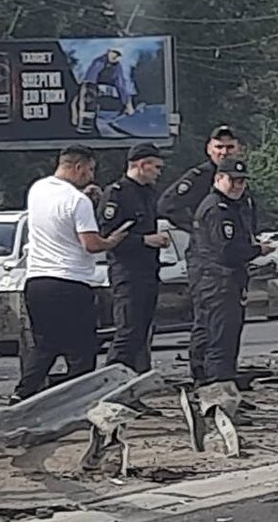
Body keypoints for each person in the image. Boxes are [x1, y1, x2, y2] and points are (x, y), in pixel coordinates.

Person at [12, 146, 129, 402]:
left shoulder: (38, 189)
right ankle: (78, 401)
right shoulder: (78, 202)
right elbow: (91, 244)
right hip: (70, 282)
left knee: (45, 345)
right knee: (82, 350)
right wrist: (112, 240)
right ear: (78, 167)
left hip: (37, 281)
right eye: (89, 170)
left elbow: (59, 214)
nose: (91, 176)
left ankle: (22, 394)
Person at [181, 157, 271, 447]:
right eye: (232, 180)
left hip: (218, 281)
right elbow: (227, 251)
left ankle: (214, 397)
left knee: (210, 337)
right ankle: (221, 404)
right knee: (221, 341)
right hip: (217, 282)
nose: (237, 186)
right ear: (219, 179)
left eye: (242, 181)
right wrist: (257, 249)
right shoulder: (218, 210)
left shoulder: (232, 207)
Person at [160, 125, 258, 385]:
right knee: (215, 325)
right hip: (209, 263)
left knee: (217, 324)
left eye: (229, 147)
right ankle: (210, 379)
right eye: (219, 147)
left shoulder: (238, 180)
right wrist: (197, 228)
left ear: (239, 148)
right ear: (209, 149)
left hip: (228, 260)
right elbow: (167, 205)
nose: (224, 152)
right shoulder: (200, 178)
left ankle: (213, 379)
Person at [97, 143, 171, 383]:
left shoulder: (148, 192)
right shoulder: (117, 194)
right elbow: (107, 235)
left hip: (149, 270)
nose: (159, 172)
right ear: (141, 165)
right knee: (128, 332)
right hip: (127, 272)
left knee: (141, 334)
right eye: (156, 167)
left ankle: (134, 385)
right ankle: (110, 384)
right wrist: (144, 240)